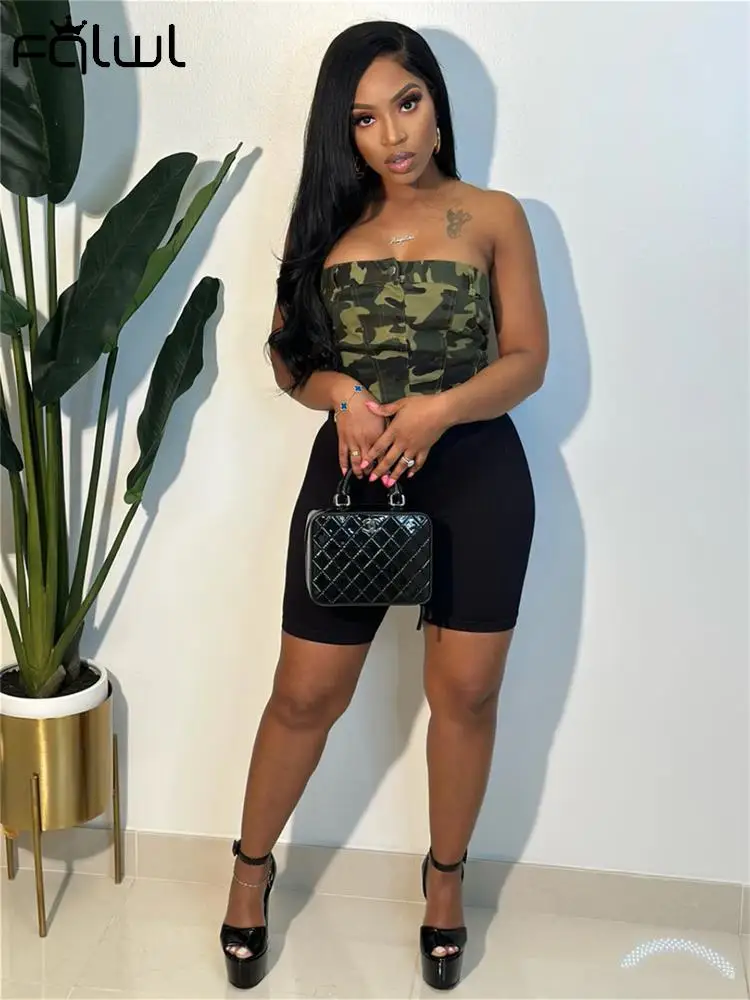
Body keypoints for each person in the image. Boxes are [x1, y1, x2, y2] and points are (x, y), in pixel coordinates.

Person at [220, 19, 549, 992]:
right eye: (364, 118)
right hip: (354, 474)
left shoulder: (495, 216)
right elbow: (288, 359)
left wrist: (440, 410)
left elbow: (528, 359)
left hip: (477, 473)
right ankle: (249, 870)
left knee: (467, 695)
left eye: (406, 103)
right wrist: (341, 396)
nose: (392, 134)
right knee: (304, 695)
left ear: (436, 102)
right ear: (345, 131)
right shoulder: (326, 226)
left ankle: (444, 884)